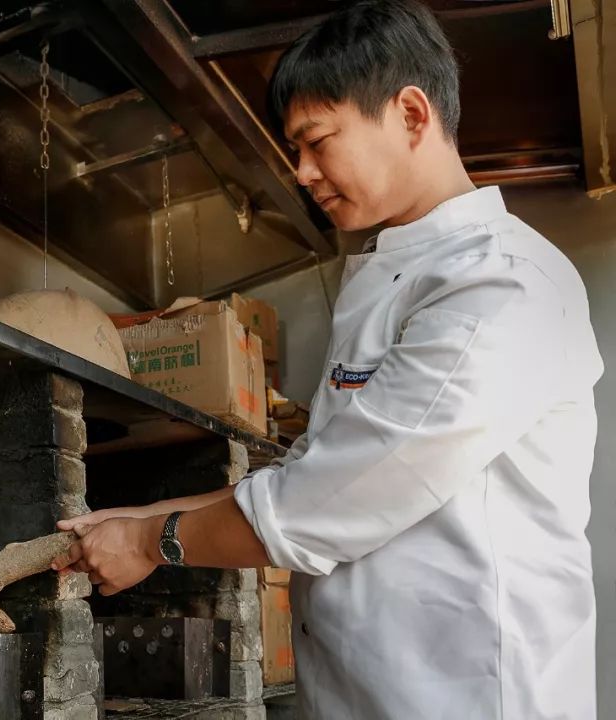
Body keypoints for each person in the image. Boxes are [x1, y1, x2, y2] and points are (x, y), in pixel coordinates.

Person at [51, 1, 604, 718]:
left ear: (410, 115)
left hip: (467, 694)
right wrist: (147, 512)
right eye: (295, 151)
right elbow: (317, 471)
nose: (304, 172)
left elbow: (327, 503)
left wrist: (152, 541)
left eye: (317, 141)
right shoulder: (385, 275)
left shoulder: (500, 284)